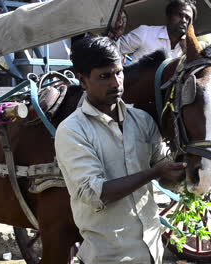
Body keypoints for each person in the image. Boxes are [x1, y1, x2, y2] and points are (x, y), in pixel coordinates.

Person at [55, 37, 187, 264]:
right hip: (108, 257)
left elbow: (165, 173)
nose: (116, 83)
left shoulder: (143, 121)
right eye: (104, 76)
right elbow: (95, 194)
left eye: (119, 73)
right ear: (83, 81)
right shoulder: (72, 131)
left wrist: (188, 171)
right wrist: (155, 173)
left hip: (153, 251)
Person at [115, 0, 196, 62]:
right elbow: (114, 50)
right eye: (180, 15)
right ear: (168, 16)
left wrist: (187, 50)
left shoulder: (188, 49)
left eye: (188, 18)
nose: (184, 20)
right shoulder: (145, 33)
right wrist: (123, 71)